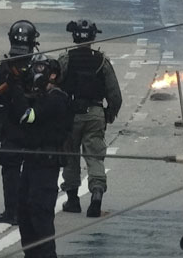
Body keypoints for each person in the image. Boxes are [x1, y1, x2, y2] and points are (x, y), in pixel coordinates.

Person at [59, 21, 122, 218]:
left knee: (70, 156)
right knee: (95, 156)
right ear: (93, 37)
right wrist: (108, 114)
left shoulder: (65, 60)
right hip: (95, 113)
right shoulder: (102, 61)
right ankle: (96, 195)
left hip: (71, 115)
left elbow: (54, 86)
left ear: (74, 37)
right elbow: (115, 95)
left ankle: (73, 199)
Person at [13, 54, 71, 257]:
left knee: (40, 215)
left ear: (53, 75)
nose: (36, 73)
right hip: (30, 162)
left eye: (41, 68)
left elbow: (28, 116)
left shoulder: (57, 99)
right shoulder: (39, 97)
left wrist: (16, 93)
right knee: (24, 212)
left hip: (46, 164)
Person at [0, 20, 39, 225]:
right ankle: (32, 210)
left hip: (10, 131)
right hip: (35, 130)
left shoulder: (2, 70)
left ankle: (12, 212)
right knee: (35, 170)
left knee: (10, 172)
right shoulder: (41, 67)